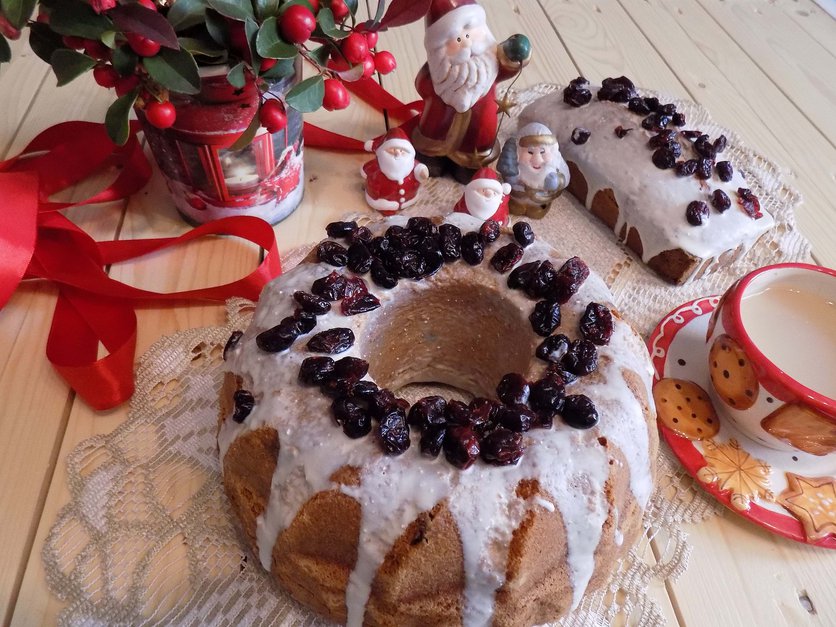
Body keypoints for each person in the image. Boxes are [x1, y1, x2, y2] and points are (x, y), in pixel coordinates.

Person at [412, 0, 531, 182]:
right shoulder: (438, 71)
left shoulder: (491, 62)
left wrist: (514, 56)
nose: (466, 42)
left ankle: (466, 168)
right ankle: (432, 158)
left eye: (469, 33)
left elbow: (509, 66)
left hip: (478, 132)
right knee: (431, 144)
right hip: (437, 127)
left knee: (474, 150)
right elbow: (422, 85)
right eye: (457, 39)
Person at [497, 122, 570, 218]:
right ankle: (517, 204)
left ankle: (536, 208)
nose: (537, 160)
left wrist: (557, 182)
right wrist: (511, 181)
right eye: (530, 152)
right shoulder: (515, 165)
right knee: (515, 207)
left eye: (542, 152)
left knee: (536, 211)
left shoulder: (555, 165)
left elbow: (565, 178)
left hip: (540, 201)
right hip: (517, 198)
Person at [361, 128, 430, 214]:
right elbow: (366, 170)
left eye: (401, 150)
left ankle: (407, 202)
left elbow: (419, 169)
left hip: (410, 197)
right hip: (384, 200)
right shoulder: (378, 165)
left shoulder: (411, 164)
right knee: (385, 207)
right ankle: (386, 209)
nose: (397, 153)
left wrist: (422, 171)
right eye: (393, 150)